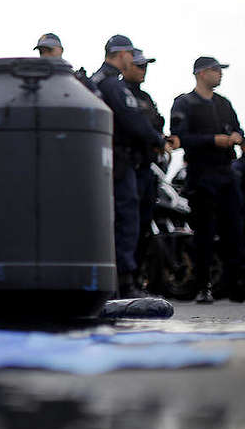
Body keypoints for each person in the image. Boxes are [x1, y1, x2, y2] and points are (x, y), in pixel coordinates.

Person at [88, 35, 170, 299]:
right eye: (130, 56)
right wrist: (158, 140)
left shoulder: (98, 81)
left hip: (111, 160)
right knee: (126, 222)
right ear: (121, 55)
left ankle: (119, 282)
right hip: (120, 161)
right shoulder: (112, 84)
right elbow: (132, 120)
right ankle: (124, 284)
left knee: (121, 222)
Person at [170, 56, 245, 303]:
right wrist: (212, 140)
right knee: (204, 233)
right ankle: (203, 286)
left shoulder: (224, 103)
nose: (220, 75)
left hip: (226, 173)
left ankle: (233, 285)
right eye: (215, 70)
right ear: (201, 73)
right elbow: (180, 137)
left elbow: (237, 129)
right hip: (201, 175)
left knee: (234, 230)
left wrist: (235, 136)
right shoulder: (185, 103)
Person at [123, 49, 165, 279]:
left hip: (148, 170)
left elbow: (156, 126)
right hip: (129, 168)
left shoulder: (146, 98)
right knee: (128, 226)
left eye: (145, 66)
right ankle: (126, 279)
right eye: (139, 66)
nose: (143, 70)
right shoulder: (119, 93)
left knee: (143, 226)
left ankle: (138, 277)